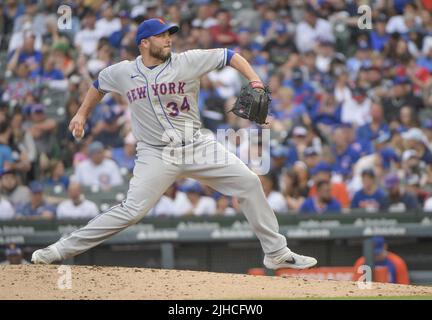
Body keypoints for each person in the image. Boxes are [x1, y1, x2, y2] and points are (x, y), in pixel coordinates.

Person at [32, 18, 317, 270]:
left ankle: (276, 253)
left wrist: (255, 80)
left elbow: (230, 55)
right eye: (162, 35)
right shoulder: (123, 72)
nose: (168, 39)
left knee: (250, 183)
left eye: (170, 34)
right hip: (155, 154)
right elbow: (98, 85)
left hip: (196, 145)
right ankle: (59, 250)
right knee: (131, 211)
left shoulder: (187, 61)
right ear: (144, 43)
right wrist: (81, 114)